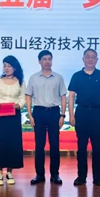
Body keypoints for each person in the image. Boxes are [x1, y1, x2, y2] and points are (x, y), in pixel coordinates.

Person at [68, 49, 100, 186]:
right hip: (82, 112)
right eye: (88, 57)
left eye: (93, 57)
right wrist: (71, 115)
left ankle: (97, 177)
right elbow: (71, 96)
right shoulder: (76, 76)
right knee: (81, 147)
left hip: (97, 113)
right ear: (83, 59)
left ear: (97, 60)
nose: (90, 59)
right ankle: (81, 177)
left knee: (97, 147)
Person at [26, 50, 67, 185]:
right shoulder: (33, 78)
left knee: (55, 145)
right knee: (39, 145)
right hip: (38, 112)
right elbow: (28, 96)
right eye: (44, 59)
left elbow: (63, 96)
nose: (47, 61)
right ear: (39, 61)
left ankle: (55, 174)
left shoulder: (58, 78)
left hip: (54, 112)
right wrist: (30, 115)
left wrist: (62, 115)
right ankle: (39, 174)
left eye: (49, 59)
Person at [0, 56, 26, 186]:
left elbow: (22, 99)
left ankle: (10, 172)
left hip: (14, 116)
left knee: (12, 143)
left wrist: (19, 105)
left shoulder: (21, 82)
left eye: (9, 66)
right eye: (4, 65)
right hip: (0, 116)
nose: (6, 68)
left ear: (15, 67)